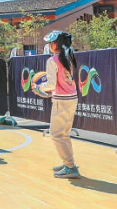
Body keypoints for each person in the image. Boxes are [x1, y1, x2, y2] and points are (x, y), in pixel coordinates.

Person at [33, 30, 80, 179]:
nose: (48, 45)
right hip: (71, 98)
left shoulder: (52, 60)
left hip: (62, 100)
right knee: (64, 133)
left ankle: (70, 166)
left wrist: (38, 87)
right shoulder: (69, 57)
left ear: (55, 44)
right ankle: (68, 162)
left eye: (49, 43)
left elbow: (51, 84)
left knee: (56, 134)